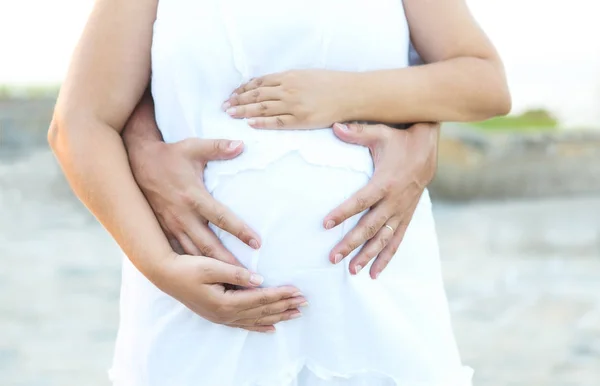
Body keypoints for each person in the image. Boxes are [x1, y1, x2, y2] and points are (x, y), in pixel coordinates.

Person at [48, 0, 510, 385]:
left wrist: (346, 93)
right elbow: (80, 123)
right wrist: (161, 266)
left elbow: (484, 83)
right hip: (197, 319)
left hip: (374, 313)